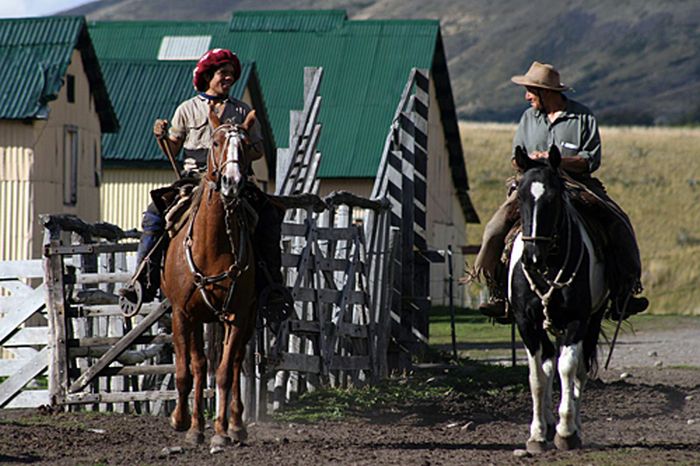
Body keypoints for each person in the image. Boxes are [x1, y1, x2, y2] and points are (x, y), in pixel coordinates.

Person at [471, 61, 648, 321]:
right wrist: (530, 161)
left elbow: (590, 159)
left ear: (547, 92)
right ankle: (498, 291)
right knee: (495, 228)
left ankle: (624, 290)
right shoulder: (528, 118)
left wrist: (557, 161)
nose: (526, 96)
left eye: (531, 91)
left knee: (617, 220)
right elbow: (514, 158)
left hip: (575, 183)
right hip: (531, 184)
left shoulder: (583, 117)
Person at [119, 48, 286, 317]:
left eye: (232, 74)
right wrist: (160, 136)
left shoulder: (242, 110)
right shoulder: (187, 109)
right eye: (223, 73)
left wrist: (242, 144)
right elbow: (173, 149)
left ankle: (271, 287)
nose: (229, 78)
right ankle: (142, 279)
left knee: (269, 215)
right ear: (208, 76)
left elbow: (258, 151)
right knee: (154, 214)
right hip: (194, 179)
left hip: (236, 180)